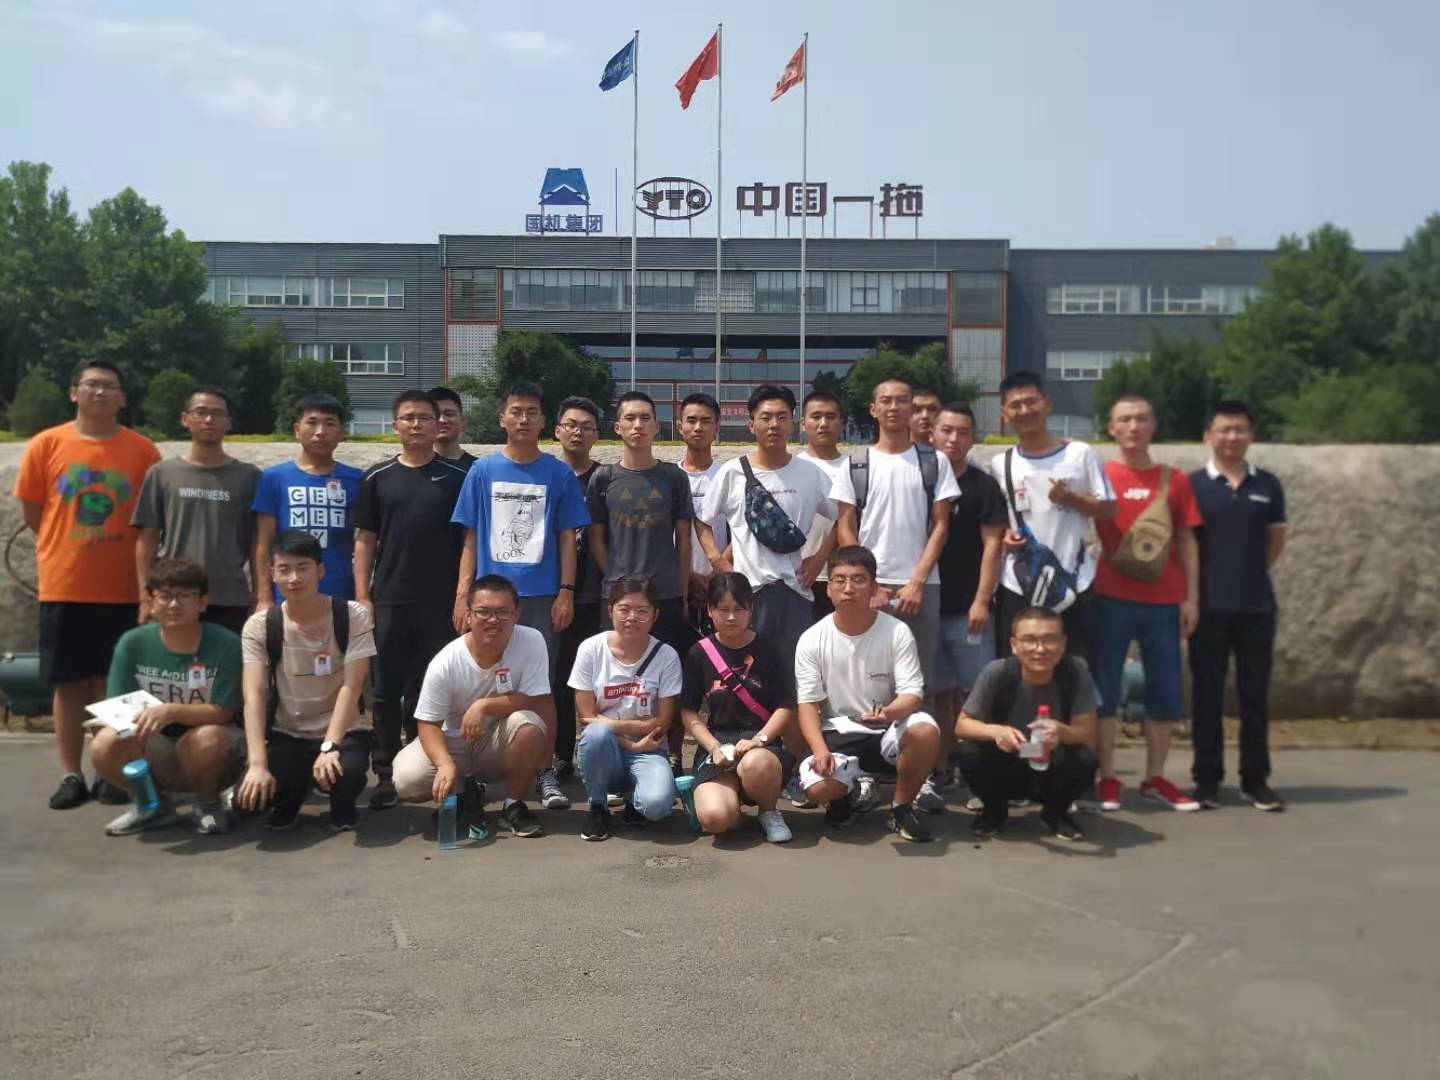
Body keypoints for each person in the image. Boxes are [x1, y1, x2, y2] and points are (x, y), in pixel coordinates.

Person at [13, 358, 161, 810]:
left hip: (123, 588)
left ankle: (110, 771)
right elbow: (35, 512)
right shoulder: (47, 444)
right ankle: (71, 774)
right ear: (74, 392)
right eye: (91, 384)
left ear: (122, 397)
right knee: (68, 685)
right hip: (66, 586)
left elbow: (151, 523)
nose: (100, 392)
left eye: (109, 386)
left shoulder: (142, 451)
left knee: (114, 685)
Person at [450, 380, 588, 806]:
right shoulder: (482, 472)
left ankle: (544, 771)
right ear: (502, 419)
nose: (524, 419)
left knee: (541, 686)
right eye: (516, 411)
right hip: (489, 601)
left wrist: (566, 592)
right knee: (483, 684)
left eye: (532, 412)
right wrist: (462, 595)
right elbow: (470, 538)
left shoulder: (558, 474)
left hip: (542, 597)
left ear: (544, 421)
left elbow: (567, 538)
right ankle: (481, 771)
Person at [353, 390, 469, 810]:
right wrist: (363, 597)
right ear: (395, 425)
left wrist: (463, 595)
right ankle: (384, 773)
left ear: (438, 424)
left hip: (440, 603)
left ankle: (423, 764)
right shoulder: (377, 478)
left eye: (424, 417)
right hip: (390, 598)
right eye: (408, 417)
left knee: (429, 688)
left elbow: (468, 541)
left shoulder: (456, 477)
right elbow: (365, 541)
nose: (416, 424)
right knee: (385, 689)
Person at [1092, 396, 1203, 812]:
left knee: (1165, 691)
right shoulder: (1100, 476)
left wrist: (1191, 598)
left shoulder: (1175, 480)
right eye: (1125, 419)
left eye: (1141, 419)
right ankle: (1107, 777)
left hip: (1164, 600)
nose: (1133, 426)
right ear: (1111, 427)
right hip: (1110, 596)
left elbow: (1187, 540)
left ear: (1154, 425)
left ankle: (1155, 777)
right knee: (1104, 690)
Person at [793, 545, 941, 844]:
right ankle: (846, 797)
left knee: (925, 730)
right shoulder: (811, 639)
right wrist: (819, 750)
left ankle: (900, 808)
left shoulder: (897, 632)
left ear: (874, 587)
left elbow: (912, 694)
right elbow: (807, 705)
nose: (848, 589)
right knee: (818, 790)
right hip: (838, 732)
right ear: (829, 589)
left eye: (858, 580)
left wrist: (889, 713)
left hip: (886, 729)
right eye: (840, 580)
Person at [90, 558, 245, 837]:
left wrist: (171, 711)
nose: (174, 605)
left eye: (185, 596)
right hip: (155, 745)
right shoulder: (132, 642)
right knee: (104, 742)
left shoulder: (227, 644)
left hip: (211, 748)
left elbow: (223, 711)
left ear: (203, 602)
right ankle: (152, 805)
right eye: (165, 596)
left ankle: (209, 805)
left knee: (208, 739)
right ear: (151, 602)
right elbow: (117, 705)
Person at [391, 574, 552, 838]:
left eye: (502, 612)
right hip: (454, 741)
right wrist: (444, 764)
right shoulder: (446, 662)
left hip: (496, 739)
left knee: (530, 726)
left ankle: (513, 805)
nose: (493, 620)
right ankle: (464, 792)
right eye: (483, 612)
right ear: (468, 615)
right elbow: (428, 722)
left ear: (516, 614)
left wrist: (484, 706)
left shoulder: (532, 640)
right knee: (406, 779)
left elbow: (531, 697)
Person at [235, 531, 375, 831]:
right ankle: (291, 794)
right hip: (289, 731)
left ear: (320, 570)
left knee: (346, 772)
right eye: (284, 569)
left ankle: (342, 802)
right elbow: (254, 695)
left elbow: (352, 687)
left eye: (303, 567)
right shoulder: (260, 626)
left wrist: (330, 746)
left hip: (344, 730)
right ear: (272, 574)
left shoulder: (352, 616)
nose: (294, 578)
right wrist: (257, 764)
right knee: (247, 802)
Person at [833, 378, 959, 702]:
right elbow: (846, 527)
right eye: (886, 401)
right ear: (873, 409)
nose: (893, 407)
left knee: (919, 680)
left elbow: (941, 526)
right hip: (869, 586)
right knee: (868, 677)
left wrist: (917, 582)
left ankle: (919, 735)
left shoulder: (934, 462)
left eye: (902, 400)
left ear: (912, 409)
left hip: (921, 586)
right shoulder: (855, 464)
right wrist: (869, 583)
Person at [1188, 401, 1287, 812]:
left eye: (1240, 429)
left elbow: (1275, 543)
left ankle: (1255, 779)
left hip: (1256, 608)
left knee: (1254, 697)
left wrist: (1245, 575)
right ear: (1208, 436)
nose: (1232, 437)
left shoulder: (1269, 485)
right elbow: (1186, 547)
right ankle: (1207, 780)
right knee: (1206, 698)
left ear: (1251, 435)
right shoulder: (1194, 485)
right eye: (1224, 429)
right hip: (1208, 609)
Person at [587, 390, 692, 767]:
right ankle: (612, 753)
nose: (638, 425)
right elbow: (596, 540)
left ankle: (670, 752)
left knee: (668, 679)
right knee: (615, 679)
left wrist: (681, 591)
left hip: (665, 594)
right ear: (617, 427)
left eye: (645, 418)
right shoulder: (603, 478)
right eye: (630, 418)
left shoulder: (673, 478)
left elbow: (684, 541)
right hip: (616, 598)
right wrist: (616, 578)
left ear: (656, 427)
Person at [697, 384, 834, 664]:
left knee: (795, 673)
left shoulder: (811, 474)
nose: (774, 425)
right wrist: (717, 561)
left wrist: (820, 558)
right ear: (751, 424)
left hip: (795, 592)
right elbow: (701, 520)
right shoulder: (732, 472)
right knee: (748, 676)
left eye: (782, 417)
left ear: (793, 423)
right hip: (745, 596)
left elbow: (845, 515)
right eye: (766, 417)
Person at [989, 370, 1115, 669]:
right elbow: (1000, 520)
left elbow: (1109, 508)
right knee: (1018, 671)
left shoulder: (1080, 454)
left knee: (1077, 670)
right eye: (1016, 405)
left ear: (1047, 403)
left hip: (1074, 581)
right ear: (1004, 413)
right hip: (1020, 583)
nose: (1024, 411)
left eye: (1031, 402)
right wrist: (1006, 536)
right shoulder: (1001, 463)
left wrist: (1070, 498)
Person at [954, 607, 1100, 841]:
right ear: (1014, 644)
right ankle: (994, 811)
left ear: (1063, 643)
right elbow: (962, 725)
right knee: (967, 752)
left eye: (1049, 640)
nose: (1040, 649)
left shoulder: (1075, 672)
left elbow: (1086, 732)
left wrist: (1061, 731)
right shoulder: (998, 672)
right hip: (1008, 758)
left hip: (1051, 760)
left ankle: (1056, 813)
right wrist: (996, 731)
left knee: (1086, 758)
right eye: (1030, 640)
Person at [680, 573, 798, 844]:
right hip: (718, 745)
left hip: (761, 744)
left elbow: (785, 706)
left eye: (738, 609)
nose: (731, 617)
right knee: (715, 818)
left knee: (757, 763)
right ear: (710, 611)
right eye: (723, 610)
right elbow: (688, 711)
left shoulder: (770, 648)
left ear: (750, 610)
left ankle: (768, 810)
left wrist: (760, 739)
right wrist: (713, 747)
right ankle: (731, 801)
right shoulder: (699, 652)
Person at [132, 386, 260, 636]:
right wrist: (145, 596)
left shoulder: (249, 476)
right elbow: (147, 539)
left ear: (228, 422)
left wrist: (260, 594)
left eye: (217, 414)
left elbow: (259, 543)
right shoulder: (162, 473)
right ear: (185, 418)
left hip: (230, 597)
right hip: (173, 597)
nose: (209, 420)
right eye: (200, 412)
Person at [928, 402, 1005, 813]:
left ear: (972, 437)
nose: (953, 439)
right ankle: (939, 770)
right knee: (938, 695)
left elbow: (994, 545)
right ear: (932, 433)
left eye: (962, 432)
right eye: (946, 430)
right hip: (925, 608)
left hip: (968, 609)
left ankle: (983, 778)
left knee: (979, 694)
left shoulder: (983, 485)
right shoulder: (921, 479)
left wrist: (981, 600)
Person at [570, 577, 683, 841]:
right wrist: (629, 743)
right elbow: (586, 717)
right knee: (596, 735)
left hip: (649, 748)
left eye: (642, 611)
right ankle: (597, 806)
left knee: (656, 806)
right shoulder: (590, 649)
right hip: (605, 748)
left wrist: (613, 725)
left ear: (655, 615)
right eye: (624, 609)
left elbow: (662, 722)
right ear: (610, 610)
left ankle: (635, 799)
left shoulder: (666, 656)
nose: (632, 618)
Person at [251, 393, 364, 609]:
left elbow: (365, 541)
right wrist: (264, 597)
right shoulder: (274, 478)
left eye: (329, 423)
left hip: (340, 594)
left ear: (341, 432)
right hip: (286, 596)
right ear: (297, 430)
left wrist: (362, 595)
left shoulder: (357, 479)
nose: (320, 431)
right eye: (312, 423)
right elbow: (264, 542)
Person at [551, 395, 604, 785]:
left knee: (594, 680)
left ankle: (594, 754)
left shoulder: (606, 478)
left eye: (587, 427)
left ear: (597, 435)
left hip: (597, 593)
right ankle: (558, 755)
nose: (578, 432)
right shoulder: (546, 475)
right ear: (557, 431)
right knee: (556, 678)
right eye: (571, 425)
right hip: (551, 593)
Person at [677, 392, 728, 635]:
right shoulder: (667, 477)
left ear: (717, 427)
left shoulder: (729, 475)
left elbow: (743, 531)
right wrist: (686, 575)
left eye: (706, 421)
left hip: (721, 584)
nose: (698, 428)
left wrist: (716, 571)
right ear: (680, 427)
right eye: (691, 420)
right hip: (676, 584)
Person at [798, 390, 847, 622]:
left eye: (831, 417)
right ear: (803, 423)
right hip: (798, 575)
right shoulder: (791, 467)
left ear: (842, 424)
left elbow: (850, 519)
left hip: (842, 577)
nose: (823, 423)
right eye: (816, 416)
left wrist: (820, 557)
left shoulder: (854, 468)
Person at [431, 386, 477, 470]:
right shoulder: (414, 466)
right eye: (435, 415)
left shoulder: (477, 468)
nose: (442, 420)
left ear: (462, 419)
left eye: (448, 414)